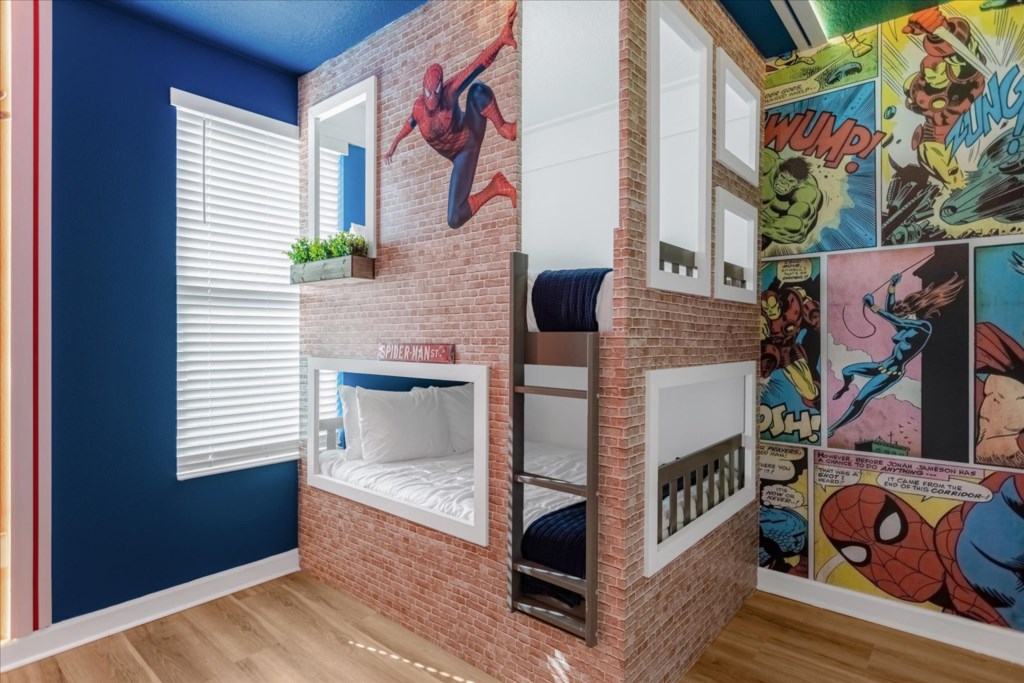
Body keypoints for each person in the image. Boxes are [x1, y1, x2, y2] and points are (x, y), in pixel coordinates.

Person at [384, 2, 518, 229]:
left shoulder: (450, 91)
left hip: (470, 134)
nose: (432, 98)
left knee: (477, 89)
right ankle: (496, 186)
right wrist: (393, 145)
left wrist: (500, 40)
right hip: (460, 157)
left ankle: (504, 127)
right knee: (454, 218)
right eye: (428, 93)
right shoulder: (418, 108)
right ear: (423, 91)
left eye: (436, 91)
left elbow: (477, 65)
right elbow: (409, 124)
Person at [829, 271, 964, 438]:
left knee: (859, 400)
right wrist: (892, 287)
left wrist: (872, 306)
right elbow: (892, 314)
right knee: (847, 370)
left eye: (906, 314)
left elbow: (896, 319)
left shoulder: (924, 327)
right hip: (882, 365)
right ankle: (845, 387)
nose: (902, 317)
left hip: (892, 373)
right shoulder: (907, 327)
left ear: (916, 311)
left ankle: (832, 428)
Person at [760, 149, 823, 250]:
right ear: (779, 171)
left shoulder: (807, 192)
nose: (783, 183)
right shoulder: (769, 165)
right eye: (782, 177)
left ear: (799, 183)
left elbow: (798, 228)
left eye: (790, 181)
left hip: (764, 232)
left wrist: (768, 225)